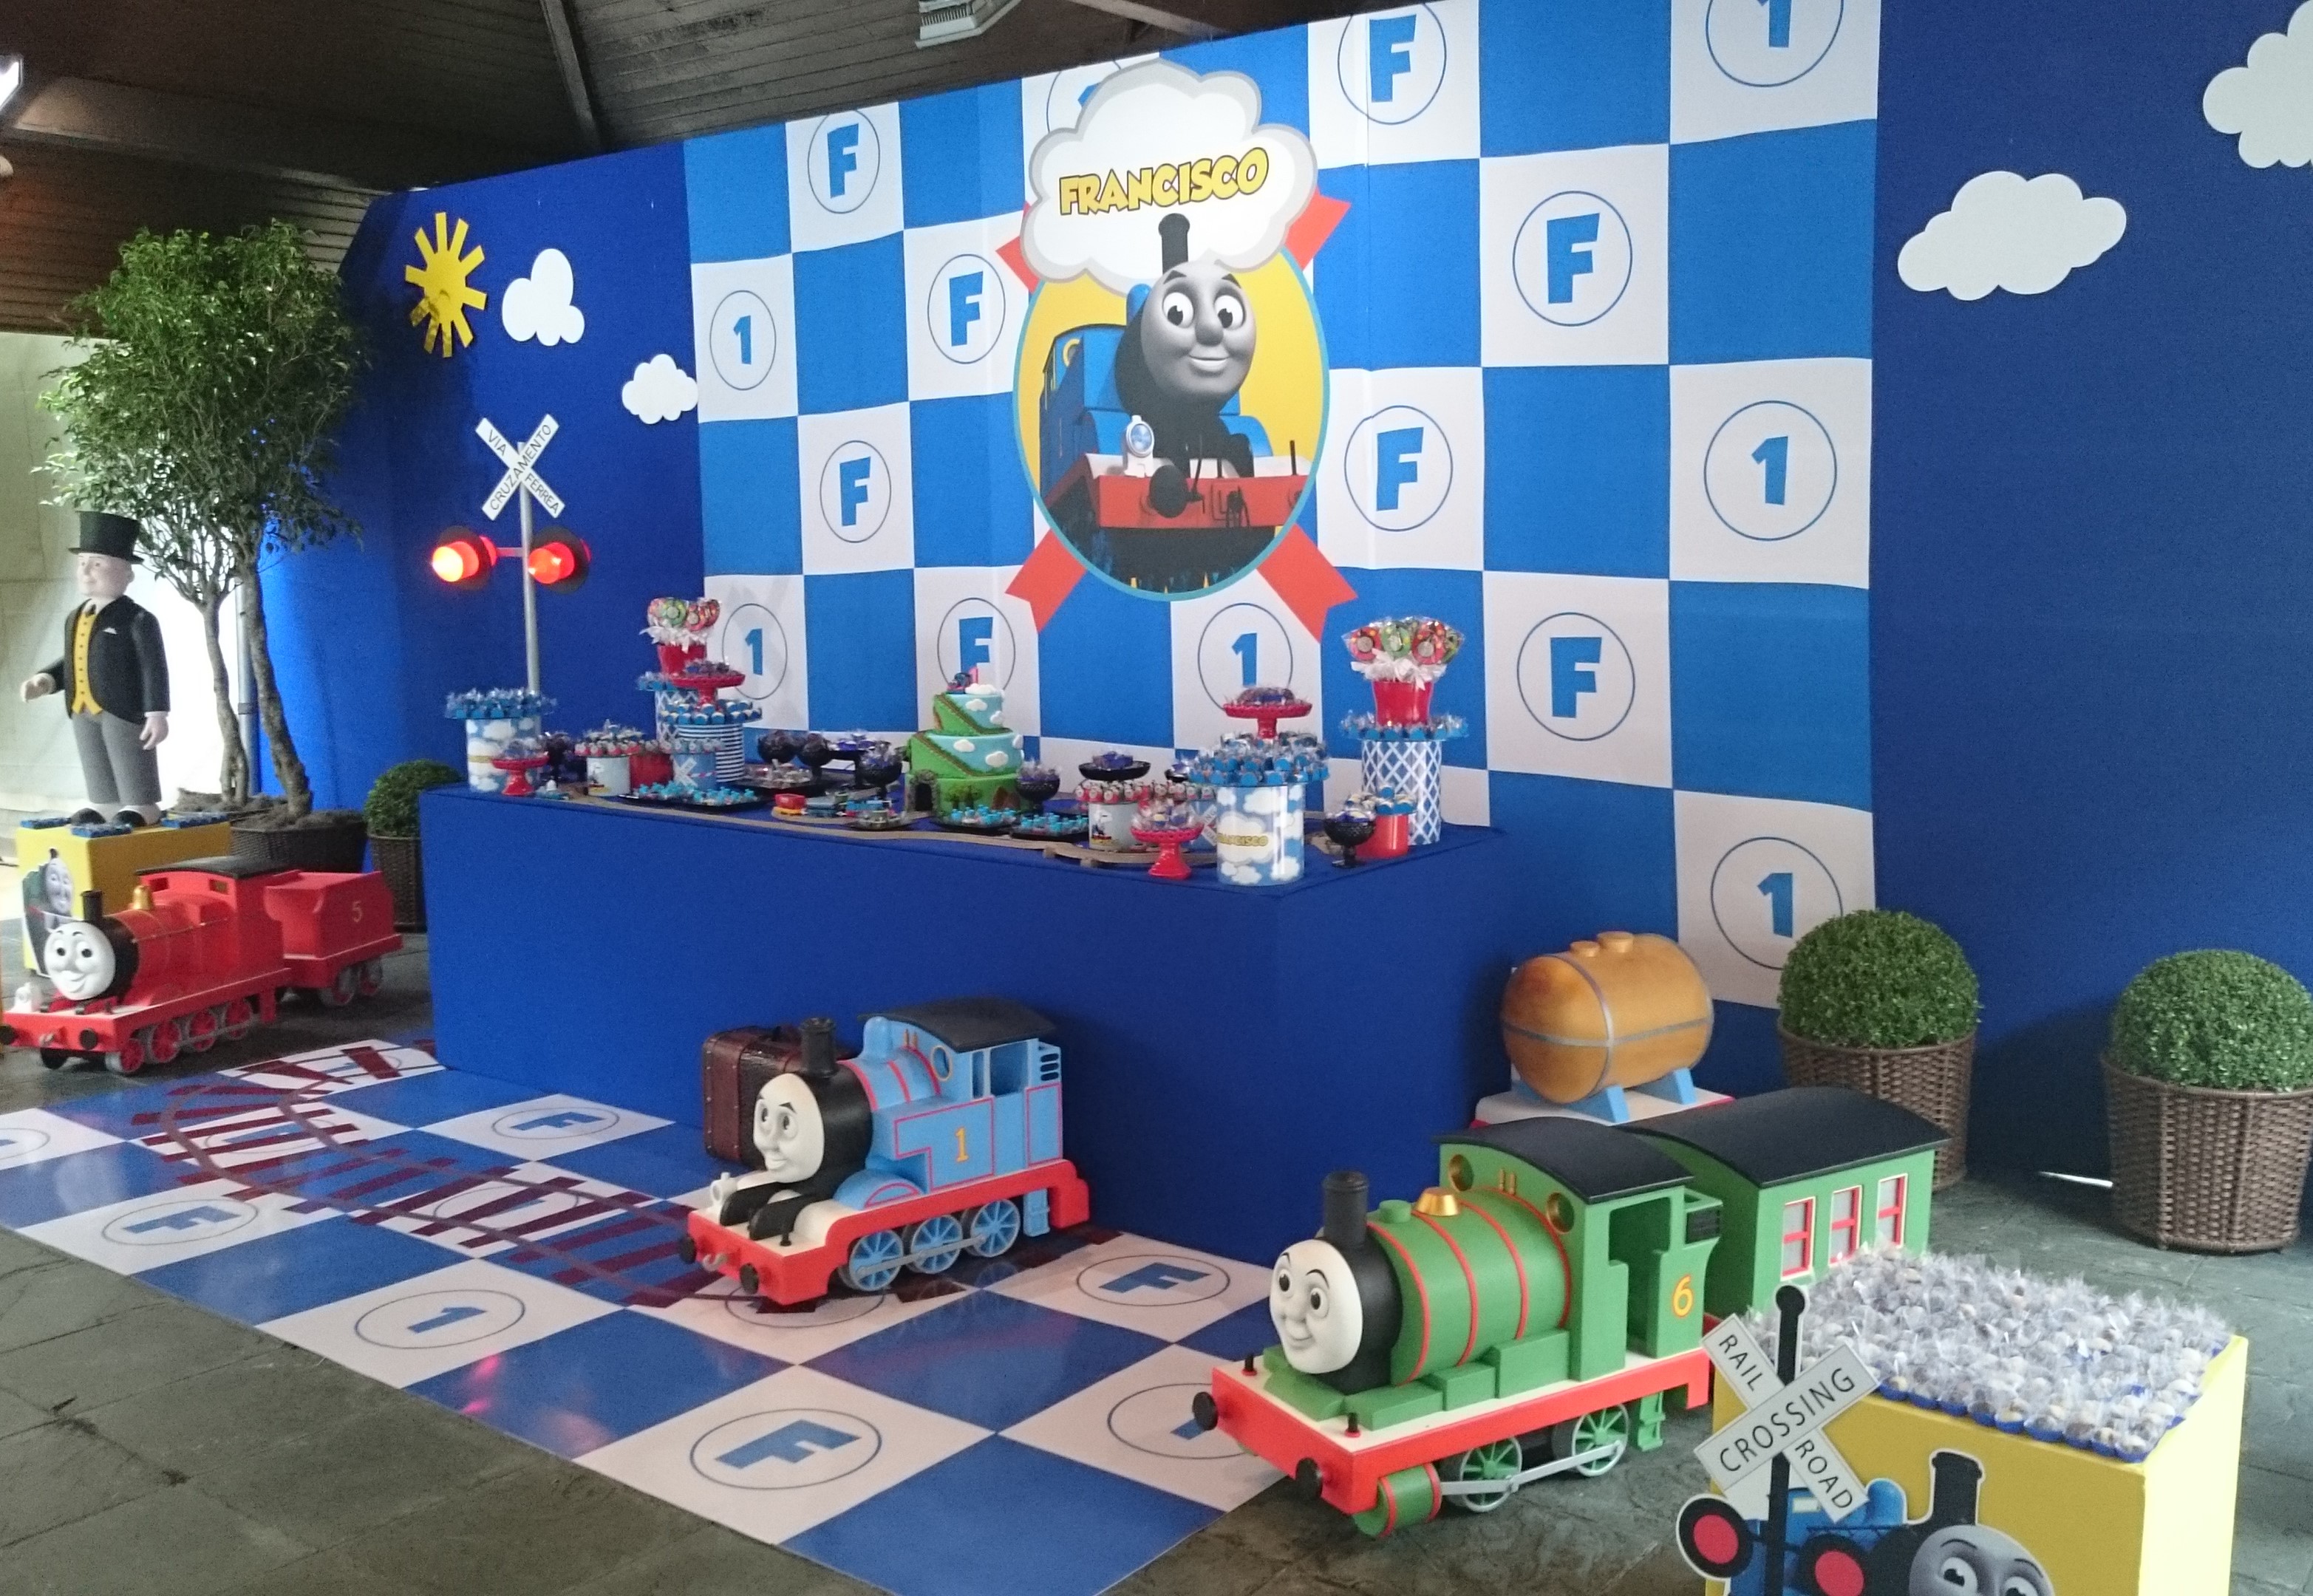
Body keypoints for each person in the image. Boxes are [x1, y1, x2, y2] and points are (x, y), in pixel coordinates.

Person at [18, 513, 170, 825]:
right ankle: (105, 803)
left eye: (97, 564)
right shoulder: (75, 617)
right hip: (81, 705)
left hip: (122, 706)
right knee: (94, 756)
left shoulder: (137, 619)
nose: (86, 572)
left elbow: (154, 668)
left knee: (128, 754)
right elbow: (74, 657)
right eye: (82, 563)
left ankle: (142, 804)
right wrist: (47, 679)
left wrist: (157, 712)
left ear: (127, 573)